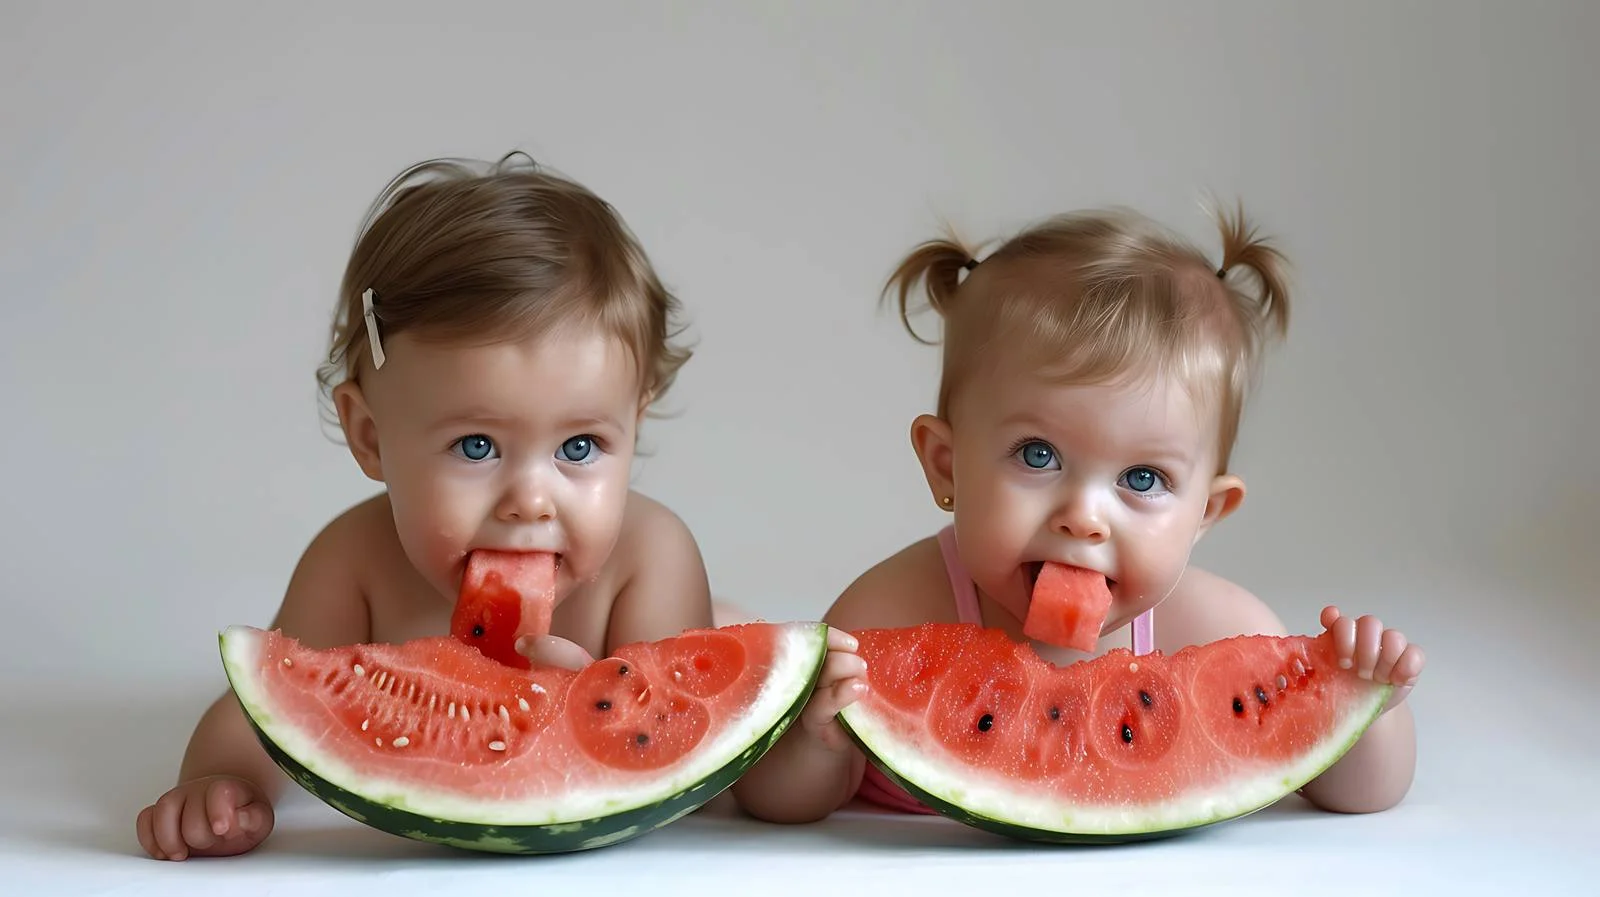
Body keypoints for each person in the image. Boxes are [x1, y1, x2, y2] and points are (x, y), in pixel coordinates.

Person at [732, 201, 1426, 823]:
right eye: (1038, 456)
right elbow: (780, 800)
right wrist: (810, 743)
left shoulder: (1216, 631)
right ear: (948, 465)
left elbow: (1357, 792)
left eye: (1143, 477)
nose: (1084, 517)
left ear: (1206, 511)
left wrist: (1365, 707)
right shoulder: (887, 614)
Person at [136, 152, 722, 860]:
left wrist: (590, 705)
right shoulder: (353, 562)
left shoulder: (650, 559)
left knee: (724, 631)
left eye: (580, 447)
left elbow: (695, 747)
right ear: (370, 436)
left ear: (637, 423)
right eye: (476, 446)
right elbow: (267, 712)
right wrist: (219, 780)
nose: (530, 499)